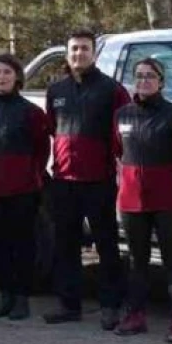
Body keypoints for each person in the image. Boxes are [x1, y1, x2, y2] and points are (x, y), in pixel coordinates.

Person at [43, 28, 130, 328]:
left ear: (94, 53)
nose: (78, 54)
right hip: (64, 179)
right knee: (65, 245)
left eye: (84, 49)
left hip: (99, 180)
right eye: (74, 49)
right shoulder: (56, 91)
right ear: (67, 54)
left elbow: (121, 135)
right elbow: (53, 129)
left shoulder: (112, 90)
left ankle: (110, 306)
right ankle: (69, 305)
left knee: (106, 245)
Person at [111, 57, 172, 341]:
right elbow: (118, 151)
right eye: (139, 76)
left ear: (161, 81)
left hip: (169, 200)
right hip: (132, 200)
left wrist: (171, 181)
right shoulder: (123, 115)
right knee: (137, 260)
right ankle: (135, 315)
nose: (144, 80)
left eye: (150, 76)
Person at [0, 53, 50, 321]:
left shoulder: (31, 112)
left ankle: (20, 298)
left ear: (17, 76)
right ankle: (4, 295)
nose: (1, 77)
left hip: (22, 190)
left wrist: (33, 177)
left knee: (22, 244)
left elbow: (42, 149)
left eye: (6, 72)